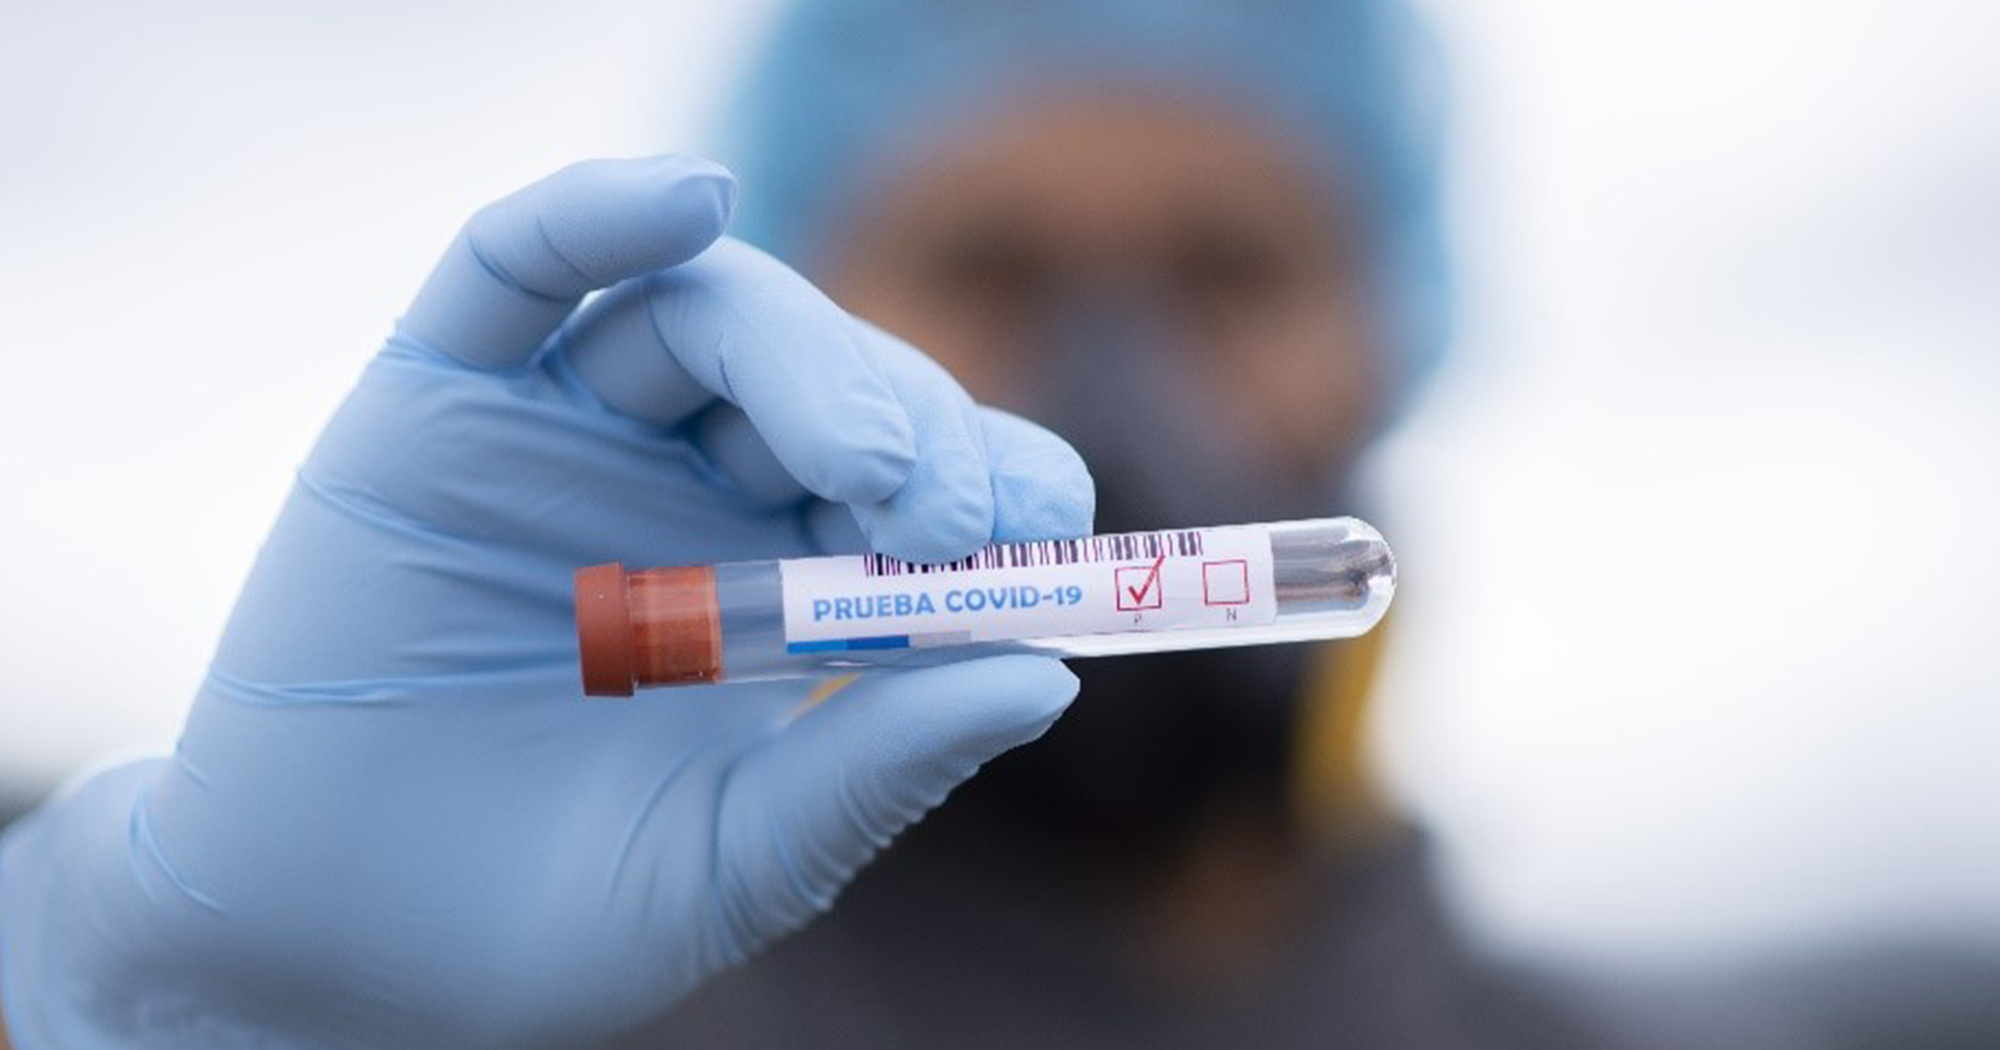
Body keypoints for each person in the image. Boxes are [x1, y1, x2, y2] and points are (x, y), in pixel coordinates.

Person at [0, 3, 1820, 1050]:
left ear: (1390, 327)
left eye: (1228, 270)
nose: (1118, 380)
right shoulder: (521, 1013)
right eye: (994, 265)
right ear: (801, 304)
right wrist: (157, 996)